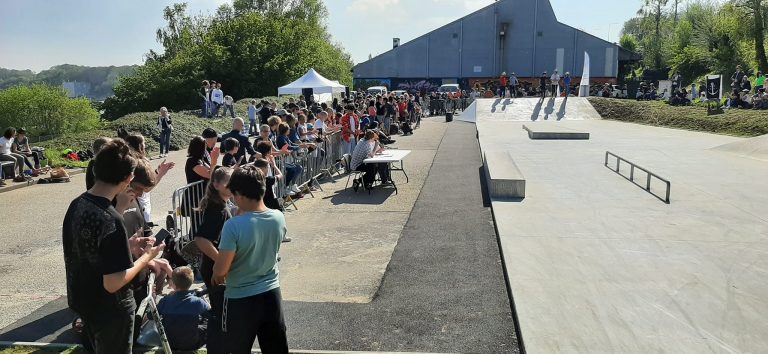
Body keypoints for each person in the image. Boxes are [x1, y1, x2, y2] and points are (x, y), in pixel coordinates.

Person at [62, 139, 165, 354]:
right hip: (110, 311)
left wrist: (127, 245)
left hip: (83, 301)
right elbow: (113, 282)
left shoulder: (78, 204)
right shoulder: (111, 219)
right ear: (128, 179)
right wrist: (147, 257)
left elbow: (88, 250)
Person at [213, 165, 289, 354]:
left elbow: (221, 270)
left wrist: (216, 274)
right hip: (271, 294)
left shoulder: (233, 226)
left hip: (240, 299)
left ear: (238, 194)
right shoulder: (278, 217)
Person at [193, 166, 234, 353]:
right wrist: (221, 263)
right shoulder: (217, 208)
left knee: (221, 313)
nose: (233, 185)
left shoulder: (221, 204)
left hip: (214, 269)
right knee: (220, 315)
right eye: (229, 182)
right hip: (214, 270)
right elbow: (201, 239)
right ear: (217, 185)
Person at [157, 266, 209, 351]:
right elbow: (210, 313)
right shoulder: (198, 302)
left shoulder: (165, 301)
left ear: (173, 283)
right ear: (191, 282)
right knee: (206, 321)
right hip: (192, 344)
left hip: (169, 342)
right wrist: (203, 298)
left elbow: (151, 316)